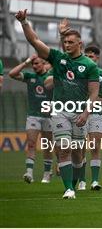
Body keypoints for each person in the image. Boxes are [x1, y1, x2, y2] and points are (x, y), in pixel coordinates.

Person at [15, 10, 99, 199]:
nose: (67, 45)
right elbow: (35, 42)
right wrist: (24, 22)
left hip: (80, 113)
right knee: (63, 148)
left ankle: (75, 183)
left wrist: (86, 113)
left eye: (71, 42)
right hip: (60, 111)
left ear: (80, 44)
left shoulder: (90, 66)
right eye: (65, 42)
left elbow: (94, 93)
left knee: (78, 153)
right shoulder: (57, 58)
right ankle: (69, 188)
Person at [9, 54, 54, 184]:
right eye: (33, 64)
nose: (34, 66)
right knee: (31, 144)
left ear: (43, 64)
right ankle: (29, 173)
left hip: (48, 116)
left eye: (37, 64)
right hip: (33, 115)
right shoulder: (30, 76)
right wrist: (26, 62)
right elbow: (12, 74)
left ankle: (47, 173)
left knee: (47, 146)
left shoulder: (50, 77)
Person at [82, 45, 102, 190]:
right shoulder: (78, 71)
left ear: (97, 58)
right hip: (79, 113)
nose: (88, 58)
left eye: (91, 56)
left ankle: (94, 181)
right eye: (86, 56)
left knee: (94, 146)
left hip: (96, 114)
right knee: (79, 148)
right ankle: (81, 180)